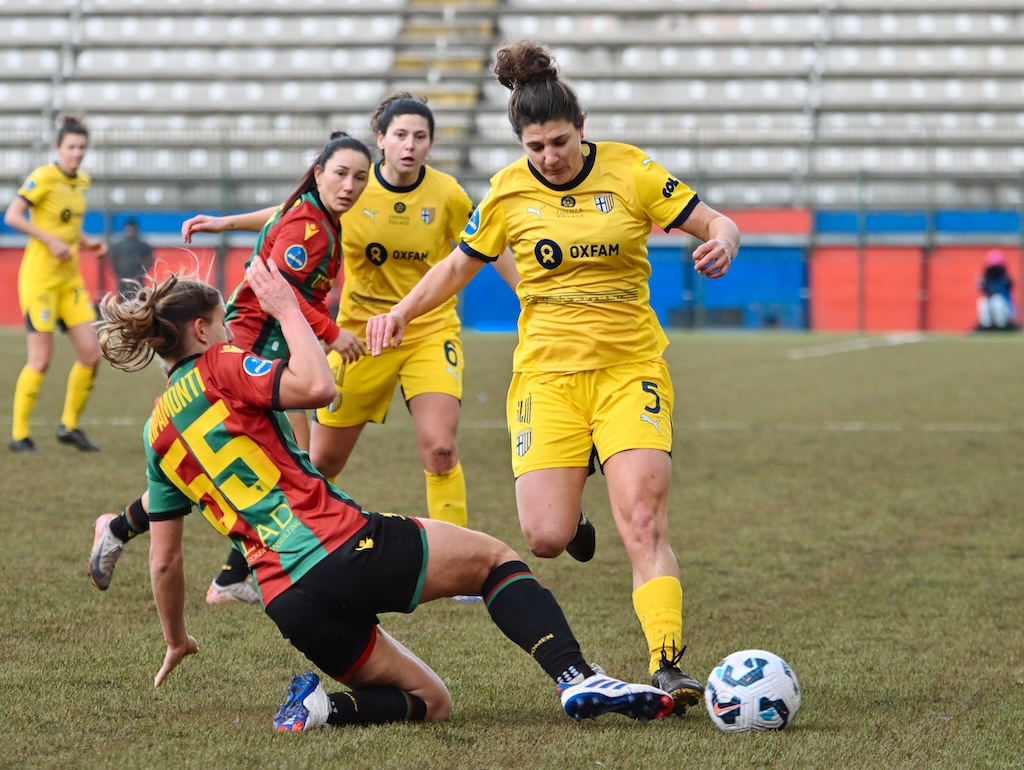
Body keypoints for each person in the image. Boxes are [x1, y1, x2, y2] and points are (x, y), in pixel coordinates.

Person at [93, 257, 676, 730]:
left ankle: (321, 711)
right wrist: (288, 309)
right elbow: (320, 386)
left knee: (431, 701)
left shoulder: (155, 432)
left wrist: (176, 640)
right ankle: (576, 678)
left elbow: (165, 558)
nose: (226, 331)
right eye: (221, 323)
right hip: (340, 546)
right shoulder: (220, 364)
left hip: (288, 603)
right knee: (496, 561)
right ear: (200, 331)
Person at [366, 40, 741, 716]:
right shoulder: (508, 191)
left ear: (581, 129)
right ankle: (577, 511)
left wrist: (725, 238)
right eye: (536, 146)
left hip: (630, 371)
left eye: (560, 142)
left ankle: (667, 662)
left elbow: (712, 219)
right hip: (547, 379)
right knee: (544, 536)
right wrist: (399, 311)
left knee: (645, 520)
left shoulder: (630, 171)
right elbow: (457, 267)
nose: (550, 157)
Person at [177, 93, 519, 536]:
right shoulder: (354, 186)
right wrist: (224, 223)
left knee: (440, 450)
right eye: (400, 135)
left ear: (431, 144)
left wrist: (526, 292)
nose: (410, 145)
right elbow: (287, 215)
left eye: (420, 136)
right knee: (321, 460)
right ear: (381, 139)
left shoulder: (448, 194)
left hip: (428, 332)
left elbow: (488, 242)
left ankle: (460, 556)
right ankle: (302, 540)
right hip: (357, 336)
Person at [88, 132, 372, 605]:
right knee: (285, 463)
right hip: (245, 346)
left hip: (260, 347)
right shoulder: (312, 226)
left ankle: (204, 568)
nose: (350, 185)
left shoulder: (309, 211)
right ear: (319, 173)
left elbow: (275, 216)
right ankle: (231, 571)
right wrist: (332, 334)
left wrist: (223, 224)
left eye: (360, 177)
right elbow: (282, 290)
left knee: (248, 463)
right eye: (341, 173)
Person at [5, 115, 108, 454]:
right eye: (71, 147)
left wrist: (87, 242)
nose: (77, 153)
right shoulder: (43, 177)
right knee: (41, 360)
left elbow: (68, 229)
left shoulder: (82, 182)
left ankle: (70, 426)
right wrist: (49, 241)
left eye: (81, 147)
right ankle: (19, 435)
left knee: (91, 354)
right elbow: (13, 216)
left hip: (69, 281)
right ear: (57, 148)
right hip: (41, 282)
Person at [107, 218, 154, 298]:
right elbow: (112, 260)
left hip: (138, 279)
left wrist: (142, 272)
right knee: (123, 300)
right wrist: (119, 271)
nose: (130, 232)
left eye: (132, 230)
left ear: (136, 230)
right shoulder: (118, 246)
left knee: (138, 300)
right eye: (129, 230)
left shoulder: (142, 246)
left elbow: (150, 260)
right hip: (123, 279)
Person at [975, 248, 1018, 331]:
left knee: (997, 301)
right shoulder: (986, 277)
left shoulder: (1005, 277)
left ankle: (1002, 327)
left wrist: (1001, 275)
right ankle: (985, 326)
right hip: (990, 308)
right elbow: (979, 287)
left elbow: (1010, 284)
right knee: (983, 301)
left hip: (1006, 309)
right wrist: (985, 277)